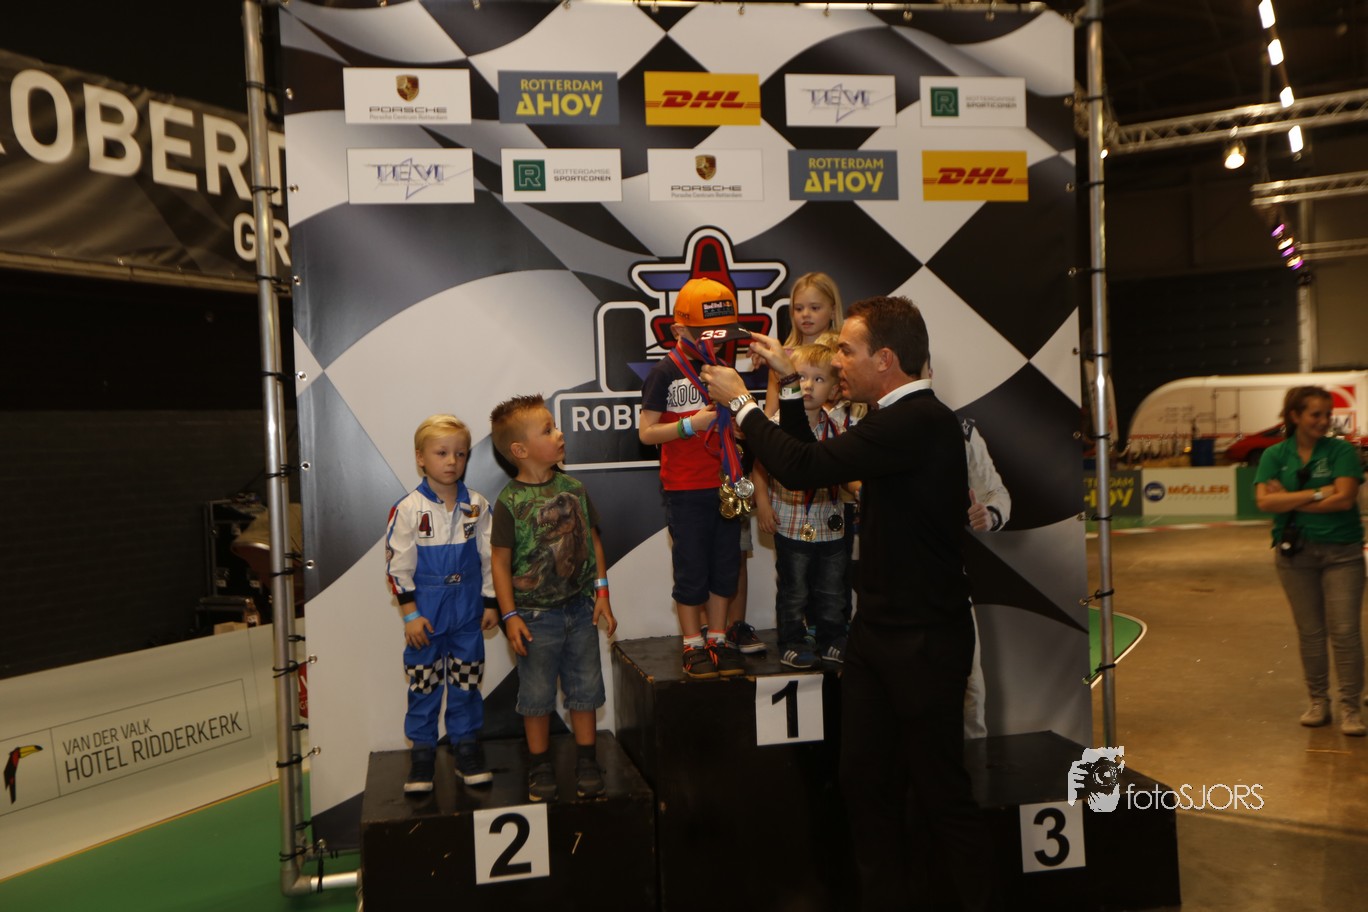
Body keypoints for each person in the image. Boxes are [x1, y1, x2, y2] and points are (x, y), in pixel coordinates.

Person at [703, 296, 999, 911]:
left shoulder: (918, 422)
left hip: (925, 640)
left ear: (884, 360)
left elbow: (802, 466)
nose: (837, 359)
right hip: (878, 635)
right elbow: (811, 455)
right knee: (866, 786)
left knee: (941, 795)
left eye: (847, 350)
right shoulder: (892, 420)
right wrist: (789, 381)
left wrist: (740, 403)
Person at [489, 395, 619, 800]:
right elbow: (499, 563)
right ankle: (540, 765)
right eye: (548, 430)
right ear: (520, 450)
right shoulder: (509, 503)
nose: (559, 434)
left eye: (556, 426)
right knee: (536, 697)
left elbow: (594, 542)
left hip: (580, 611)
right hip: (533, 618)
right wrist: (509, 616)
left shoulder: (574, 489)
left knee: (585, 690)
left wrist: (602, 592)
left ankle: (586, 760)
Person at [638, 276, 749, 680]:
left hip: (725, 485)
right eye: (706, 334)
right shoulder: (665, 372)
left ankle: (717, 639)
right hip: (685, 488)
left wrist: (738, 428)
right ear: (679, 330)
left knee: (725, 567)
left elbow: (740, 424)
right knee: (691, 570)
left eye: (721, 335)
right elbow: (646, 433)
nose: (715, 343)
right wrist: (690, 425)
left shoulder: (724, 371)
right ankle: (692, 644)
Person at [385, 414, 497, 794]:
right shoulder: (408, 508)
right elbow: (398, 567)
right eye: (442, 453)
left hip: (467, 612)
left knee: (467, 682)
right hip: (426, 616)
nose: (452, 461)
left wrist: (490, 602)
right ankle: (422, 755)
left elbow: (491, 559)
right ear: (421, 458)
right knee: (424, 682)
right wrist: (411, 615)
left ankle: (466, 748)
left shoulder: (477, 505)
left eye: (460, 454)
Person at [1254, 386, 1365, 737]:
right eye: (1315, 414)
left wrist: (1290, 500)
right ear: (1295, 416)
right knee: (1311, 633)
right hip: (1295, 555)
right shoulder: (1274, 455)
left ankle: (1351, 707)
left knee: (1345, 632)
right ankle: (1319, 701)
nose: (1324, 420)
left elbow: (1345, 499)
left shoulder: (1342, 451)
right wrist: (1319, 493)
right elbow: (1264, 502)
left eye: (1327, 414)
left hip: (1342, 554)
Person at [752, 341, 853, 668]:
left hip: (831, 525)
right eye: (801, 378)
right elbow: (759, 465)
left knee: (832, 589)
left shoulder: (838, 429)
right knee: (793, 590)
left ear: (834, 390)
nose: (808, 386)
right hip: (791, 522)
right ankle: (791, 641)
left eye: (818, 379)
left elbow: (847, 471)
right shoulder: (776, 424)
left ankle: (832, 638)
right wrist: (762, 503)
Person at [764, 271, 844, 416]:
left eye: (815, 308)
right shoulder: (782, 358)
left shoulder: (843, 354)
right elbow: (770, 412)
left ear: (833, 310)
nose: (805, 314)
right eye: (799, 308)